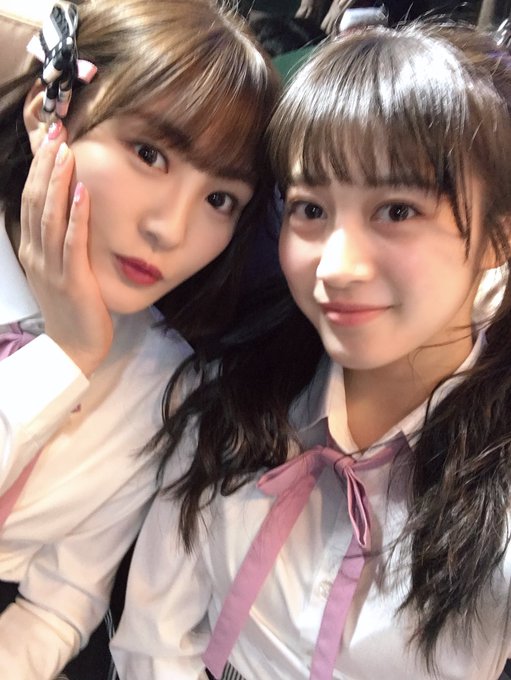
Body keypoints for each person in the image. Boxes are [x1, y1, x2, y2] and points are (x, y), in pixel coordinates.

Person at [111, 21, 511, 680]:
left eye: (397, 210)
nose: (336, 267)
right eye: (310, 210)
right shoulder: (230, 396)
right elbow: (154, 638)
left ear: (497, 238)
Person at [0, 0, 279, 678]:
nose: (171, 229)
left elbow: (60, 603)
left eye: (220, 199)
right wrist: (65, 357)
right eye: (149, 153)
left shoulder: (165, 377)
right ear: (49, 112)